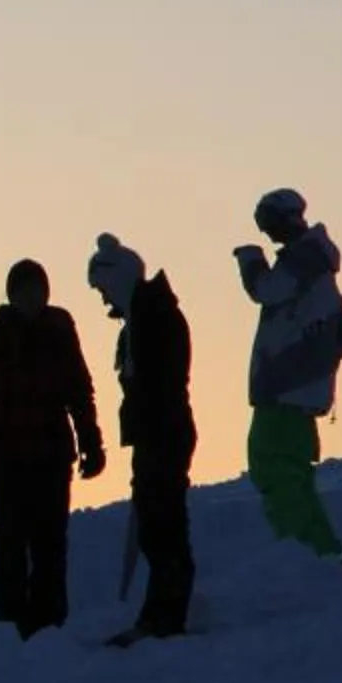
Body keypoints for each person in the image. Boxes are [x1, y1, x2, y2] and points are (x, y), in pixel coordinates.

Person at [0, 259, 107, 639]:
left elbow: (79, 388)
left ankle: (50, 626)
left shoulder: (60, 329)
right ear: (12, 294)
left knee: (50, 543)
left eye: (39, 290)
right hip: (4, 458)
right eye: (26, 290)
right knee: (9, 541)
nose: (34, 297)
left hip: (50, 455)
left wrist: (91, 441)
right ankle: (11, 627)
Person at [86, 234, 198, 643]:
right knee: (156, 527)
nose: (102, 301)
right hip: (156, 431)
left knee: (163, 526)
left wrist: (145, 420)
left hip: (163, 432)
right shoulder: (142, 318)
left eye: (102, 290)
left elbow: (158, 383)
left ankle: (166, 617)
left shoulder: (155, 318)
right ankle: (158, 614)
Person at [233, 187, 342, 558]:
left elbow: (266, 290)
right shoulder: (315, 268)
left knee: (274, 469)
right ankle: (318, 546)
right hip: (295, 386)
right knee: (289, 472)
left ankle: (307, 548)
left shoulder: (303, 261)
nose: (267, 234)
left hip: (287, 387)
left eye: (267, 224)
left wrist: (249, 259)